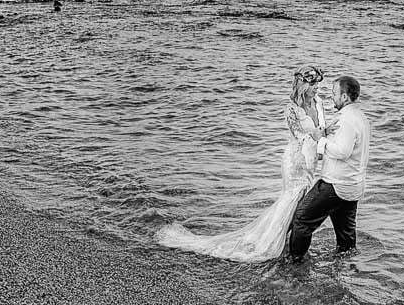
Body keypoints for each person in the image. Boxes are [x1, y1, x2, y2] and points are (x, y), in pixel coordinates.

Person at [155, 66, 326, 262]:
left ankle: (289, 240)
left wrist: (324, 146)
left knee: (302, 204)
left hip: (311, 160)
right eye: (314, 84)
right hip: (295, 162)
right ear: (303, 85)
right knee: (291, 200)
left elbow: (321, 129)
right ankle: (272, 241)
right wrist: (316, 136)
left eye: (318, 85)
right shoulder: (291, 109)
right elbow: (298, 135)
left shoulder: (318, 102)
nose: (317, 88)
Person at [286, 75, 371, 259]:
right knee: (345, 233)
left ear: (345, 97)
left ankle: (295, 263)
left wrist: (321, 141)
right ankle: (346, 265)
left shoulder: (347, 119)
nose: (332, 96)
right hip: (353, 186)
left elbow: (343, 151)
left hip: (336, 184)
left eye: (334, 93)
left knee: (301, 219)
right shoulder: (360, 117)